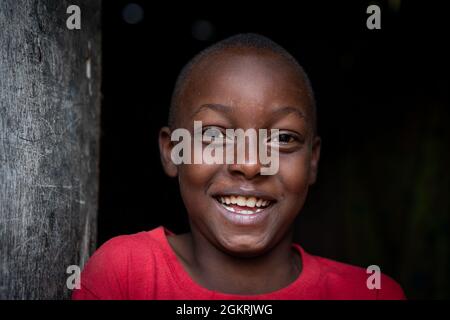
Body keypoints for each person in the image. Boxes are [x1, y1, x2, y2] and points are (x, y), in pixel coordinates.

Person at [73, 33, 405, 300]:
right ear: (173, 151)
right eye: (215, 135)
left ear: (313, 161)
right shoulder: (127, 275)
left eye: (284, 138)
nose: (249, 164)